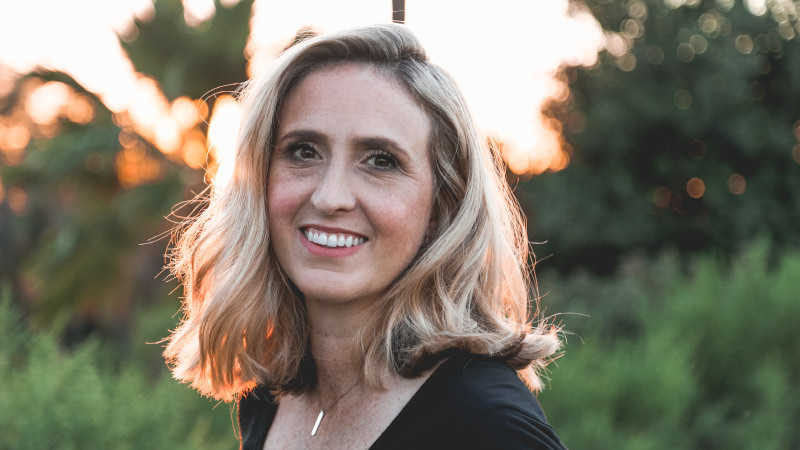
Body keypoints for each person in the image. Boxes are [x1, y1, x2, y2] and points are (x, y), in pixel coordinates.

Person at [163, 23, 566, 449]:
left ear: (442, 207)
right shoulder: (269, 395)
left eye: (380, 161)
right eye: (304, 151)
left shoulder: (488, 426)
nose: (331, 196)